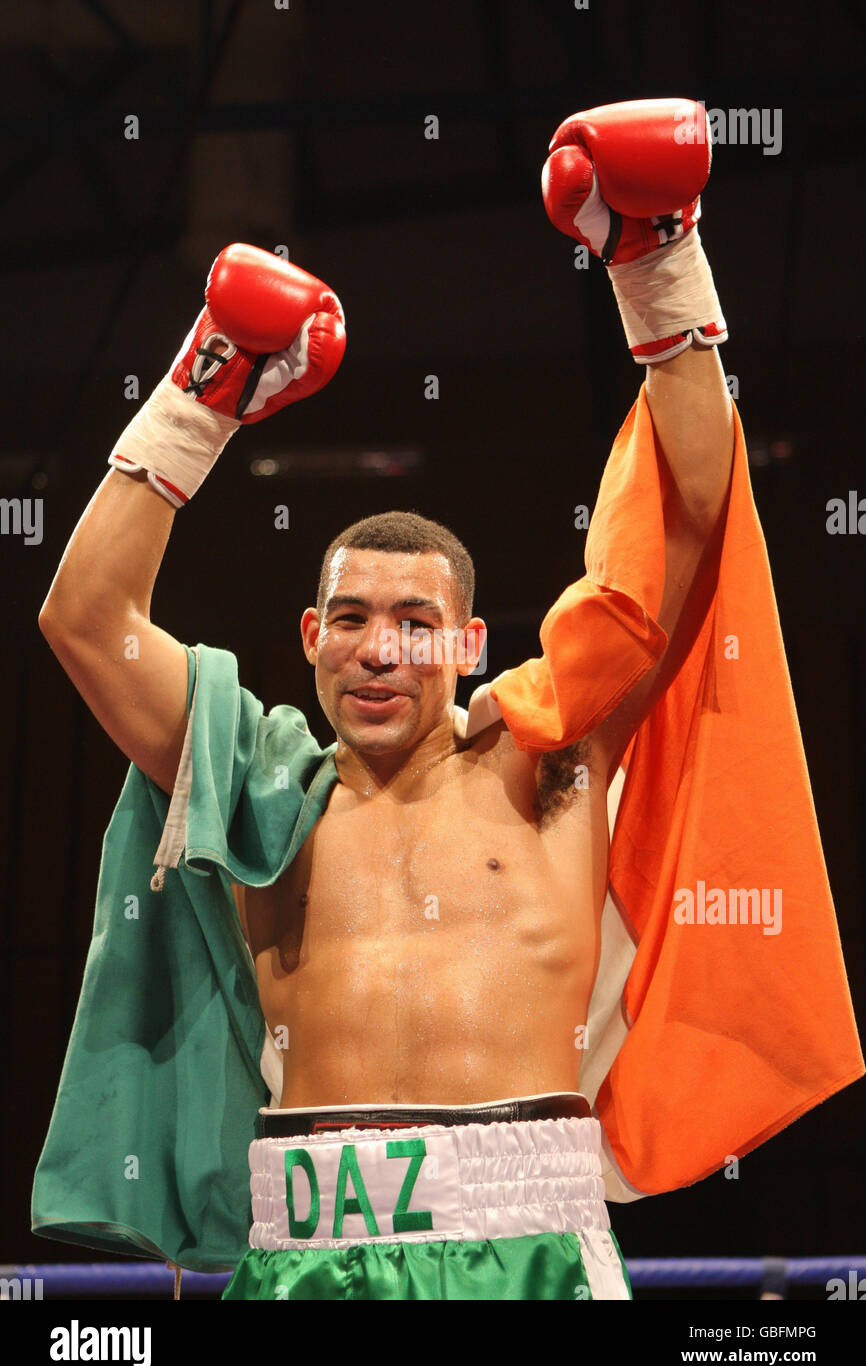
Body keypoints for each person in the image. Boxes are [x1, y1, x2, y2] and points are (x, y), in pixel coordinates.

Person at [33, 98, 862, 1301]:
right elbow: (85, 620)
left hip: (526, 1241)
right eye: (351, 619)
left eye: (416, 624)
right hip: (306, 1249)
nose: (380, 650)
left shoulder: (545, 758)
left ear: (468, 644)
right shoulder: (259, 790)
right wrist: (203, 391)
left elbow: (693, 518)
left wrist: (655, 260)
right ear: (310, 638)